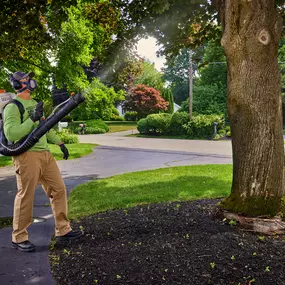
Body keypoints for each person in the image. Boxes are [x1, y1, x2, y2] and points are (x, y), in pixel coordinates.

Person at [3, 71, 82, 252]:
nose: (31, 81)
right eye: (26, 79)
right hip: (26, 156)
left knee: (59, 189)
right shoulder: (13, 106)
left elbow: (45, 128)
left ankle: (63, 230)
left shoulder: (35, 103)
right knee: (26, 195)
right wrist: (32, 119)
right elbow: (12, 134)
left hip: (45, 155)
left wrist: (60, 143)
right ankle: (19, 237)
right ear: (18, 83)